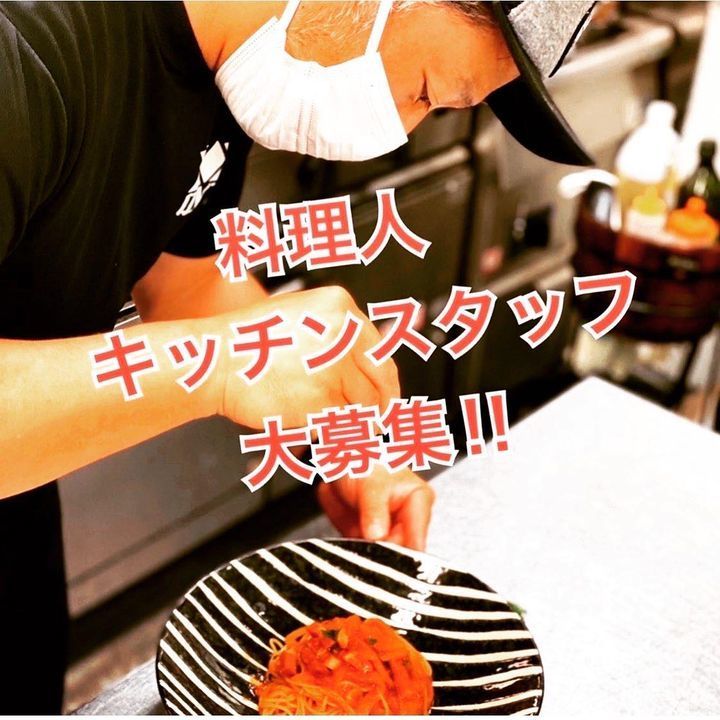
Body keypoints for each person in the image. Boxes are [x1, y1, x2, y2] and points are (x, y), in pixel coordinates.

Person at [0, 0, 594, 712]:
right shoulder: (24, 49)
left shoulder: (222, 67)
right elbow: (214, 346)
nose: (405, 128)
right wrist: (222, 363)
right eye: (428, 93)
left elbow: (183, 279)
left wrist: (339, 435)